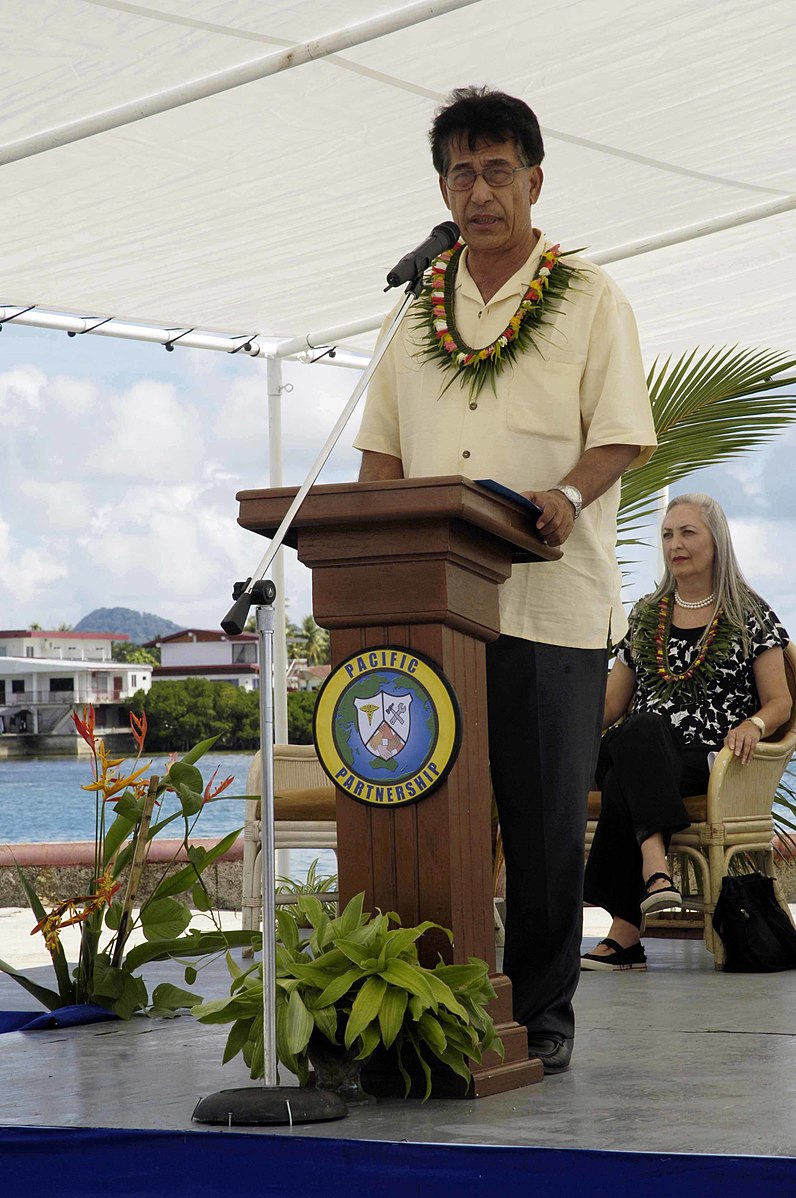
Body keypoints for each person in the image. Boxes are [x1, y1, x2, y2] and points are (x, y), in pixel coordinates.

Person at [354, 86, 657, 1073]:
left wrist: (569, 491)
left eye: (494, 170)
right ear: (440, 186)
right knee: (428, 812)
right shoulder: (414, 309)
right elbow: (380, 460)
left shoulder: (589, 297)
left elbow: (619, 432)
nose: (477, 190)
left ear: (533, 179)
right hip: (430, 618)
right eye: (459, 172)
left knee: (539, 822)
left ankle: (542, 1013)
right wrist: (373, 548)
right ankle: (425, 1003)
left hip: (546, 599)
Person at [582, 493, 792, 970]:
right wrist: (563, 717)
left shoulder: (748, 615)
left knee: (625, 775)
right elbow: (612, 705)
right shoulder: (645, 615)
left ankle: (627, 935)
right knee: (639, 730)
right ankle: (656, 875)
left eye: (688, 532)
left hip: (708, 762)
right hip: (632, 744)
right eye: (668, 534)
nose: (675, 544)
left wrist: (754, 724)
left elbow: (780, 702)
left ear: (716, 541)